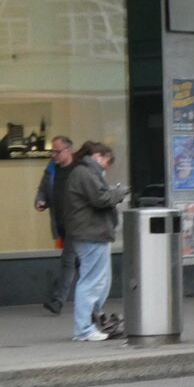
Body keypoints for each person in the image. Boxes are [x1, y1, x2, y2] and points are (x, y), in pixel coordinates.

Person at [63, 141, 129, 342]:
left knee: (99, 281)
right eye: (107, 161)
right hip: (91, 233)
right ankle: (84, 329)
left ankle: (94, 321)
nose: (106, 166)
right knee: (91, 282)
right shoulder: (85, 173)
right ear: (97, 155)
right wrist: (119, 192)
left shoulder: (84, 172)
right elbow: (100, 199)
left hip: (92, 233)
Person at [34, 135, 76, 315]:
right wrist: (40, 201)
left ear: (68, 151)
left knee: (68, 261)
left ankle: (57, 300)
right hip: (61, 224)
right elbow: (43, 190)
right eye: (52, 151)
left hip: (78, 224)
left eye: (57, 151)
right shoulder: (51, 169)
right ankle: (93, 304)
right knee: (78, 263)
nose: (54, 155)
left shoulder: (79, 169)